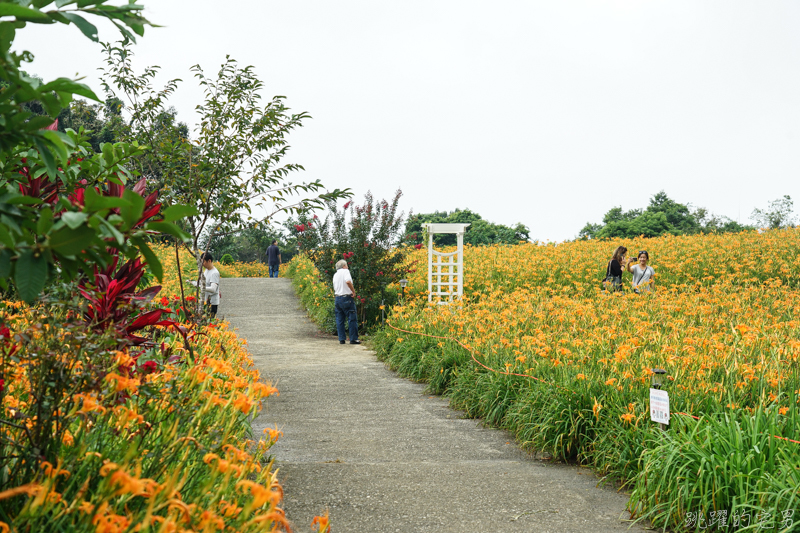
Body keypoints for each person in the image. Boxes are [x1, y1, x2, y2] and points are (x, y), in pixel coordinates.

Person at [333, 259, 360, 344]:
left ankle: (341, 339)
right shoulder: (345, 271)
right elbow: (348, 281)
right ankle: (353, 339)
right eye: (347, 265)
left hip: (337, 298)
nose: (348, 267)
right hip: (346, 298)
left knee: (339, 319)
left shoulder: (335, 274)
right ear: (344, 266)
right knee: (352, 318)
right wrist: (353, 291)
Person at [189, 252, 221, 317]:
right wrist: (192, 283)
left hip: (212, 303)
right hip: (206, 301)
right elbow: (203, 282)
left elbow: (213, 289)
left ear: (209, 261)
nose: (202, 264)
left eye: (203, 262)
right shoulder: (207, 270)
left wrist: (200, 287)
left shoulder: (214, 273)